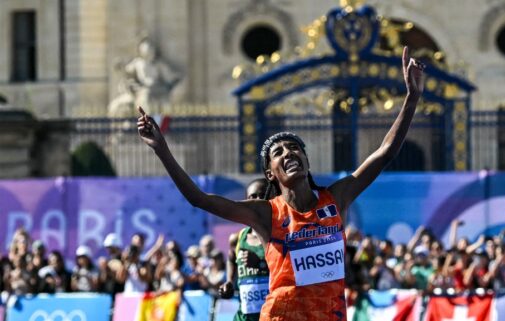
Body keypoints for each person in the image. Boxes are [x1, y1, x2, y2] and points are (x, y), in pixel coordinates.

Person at [137, 46, 425, 321]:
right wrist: (162, 150)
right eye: (279, 152)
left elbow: (385, 152)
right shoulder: (266, 213)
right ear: (271, 173)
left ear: (306, 160)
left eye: (294, 148)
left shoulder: (335, 199)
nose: (289, 152)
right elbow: (199, 199)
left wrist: (411, 99)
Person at [219, 179, 272, 321]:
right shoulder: (238, 238)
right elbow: (231, 258)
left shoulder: (280, 234)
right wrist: (229, 281)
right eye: (252, 197)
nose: (257, 200)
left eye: (262, 195)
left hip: (273, 315)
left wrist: (260, 263)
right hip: (244, 317)